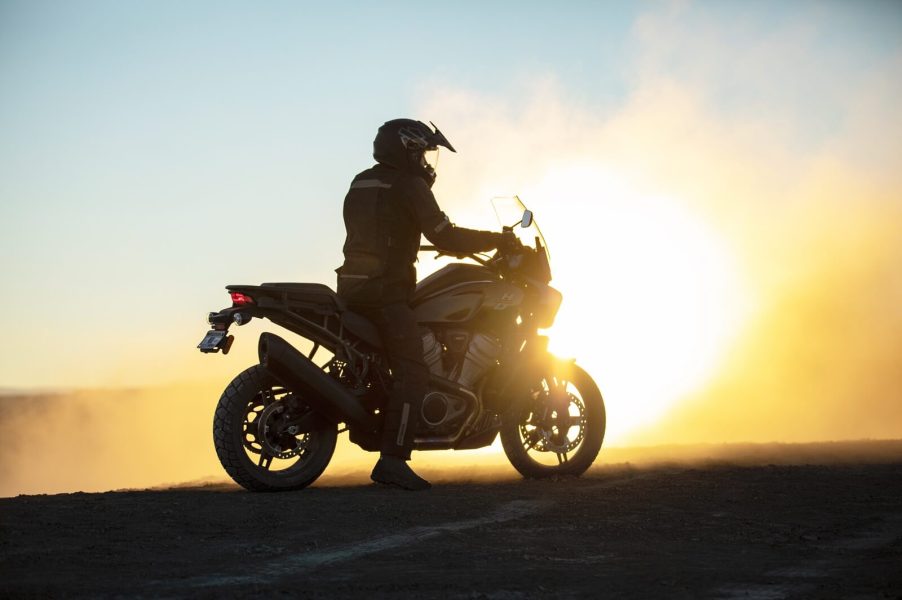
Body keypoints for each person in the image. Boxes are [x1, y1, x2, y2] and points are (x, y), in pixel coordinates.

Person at [336, 119, 511, 490]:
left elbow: (382, 230)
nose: (427, 162)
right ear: (407, 149)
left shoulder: (362, 181)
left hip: (353, 287)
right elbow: (442, 232)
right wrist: (496, 240)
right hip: (385, 293)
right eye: (423, 152)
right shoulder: (409, 185)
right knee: (413, 372)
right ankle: (393, 460)